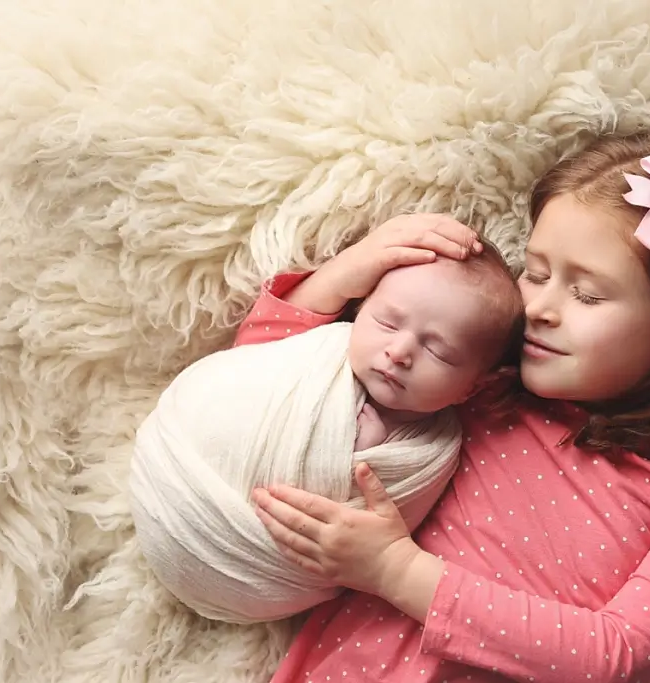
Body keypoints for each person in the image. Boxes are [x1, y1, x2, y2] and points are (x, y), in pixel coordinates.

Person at [247, 129, 650, 682]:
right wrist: (344, 274)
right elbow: (258, 399)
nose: (540, 307)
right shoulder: (473, 377)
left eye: (587, 295)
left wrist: (393, 570)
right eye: (536, 273)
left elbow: (619, 655)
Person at [128, 230, 524, 623]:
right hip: (172, 482)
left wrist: (352, 460)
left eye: (437, 350)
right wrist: (350, 266)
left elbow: (377, 536)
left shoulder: (434, 449)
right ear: (360, 308)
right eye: (387, 322)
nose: (400, 352)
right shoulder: (319, 348)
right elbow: (255, 344)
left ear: (474, 387)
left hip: (263, 579)